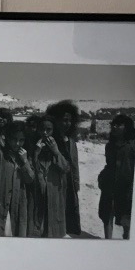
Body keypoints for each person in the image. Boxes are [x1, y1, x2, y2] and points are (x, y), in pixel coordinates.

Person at [0, 120, 35, 236]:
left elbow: (30, 179)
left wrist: (25, 161)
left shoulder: (25, 156)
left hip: (18, 204)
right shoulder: (0, 154)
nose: (17, 143)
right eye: (14, 139)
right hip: (1, 204)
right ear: (8, 138)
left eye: (21, 140)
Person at [46, 100, 82, 236]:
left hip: (69, 184)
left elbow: (74, 165)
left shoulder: (71, 142)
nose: (67, 123)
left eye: (70, 120)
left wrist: (76, 183)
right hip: (54, 183)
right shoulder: (50, 140)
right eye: (64, 120)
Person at [31, 115, 70, 238]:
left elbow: (66, 168)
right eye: (42, 129)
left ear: (54, 131)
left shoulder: (60, 146)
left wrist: (56, 151)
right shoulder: (32, 146)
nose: (45, 133)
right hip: (38, 195)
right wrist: (36, 153)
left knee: (54, 231)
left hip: (55, 195)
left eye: (48, 130)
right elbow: (31, 171)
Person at [99, 114, 135, 240]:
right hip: (109, 185)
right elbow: (109, 165)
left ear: (127, 127)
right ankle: (107, 241)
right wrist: (102, 177)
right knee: (107, 215)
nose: (114, 127)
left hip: (126, 187)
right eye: (113, 124)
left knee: (126, 219)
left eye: (119, 125)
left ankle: (126, 241)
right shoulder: (109, 146)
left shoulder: (133, 146)